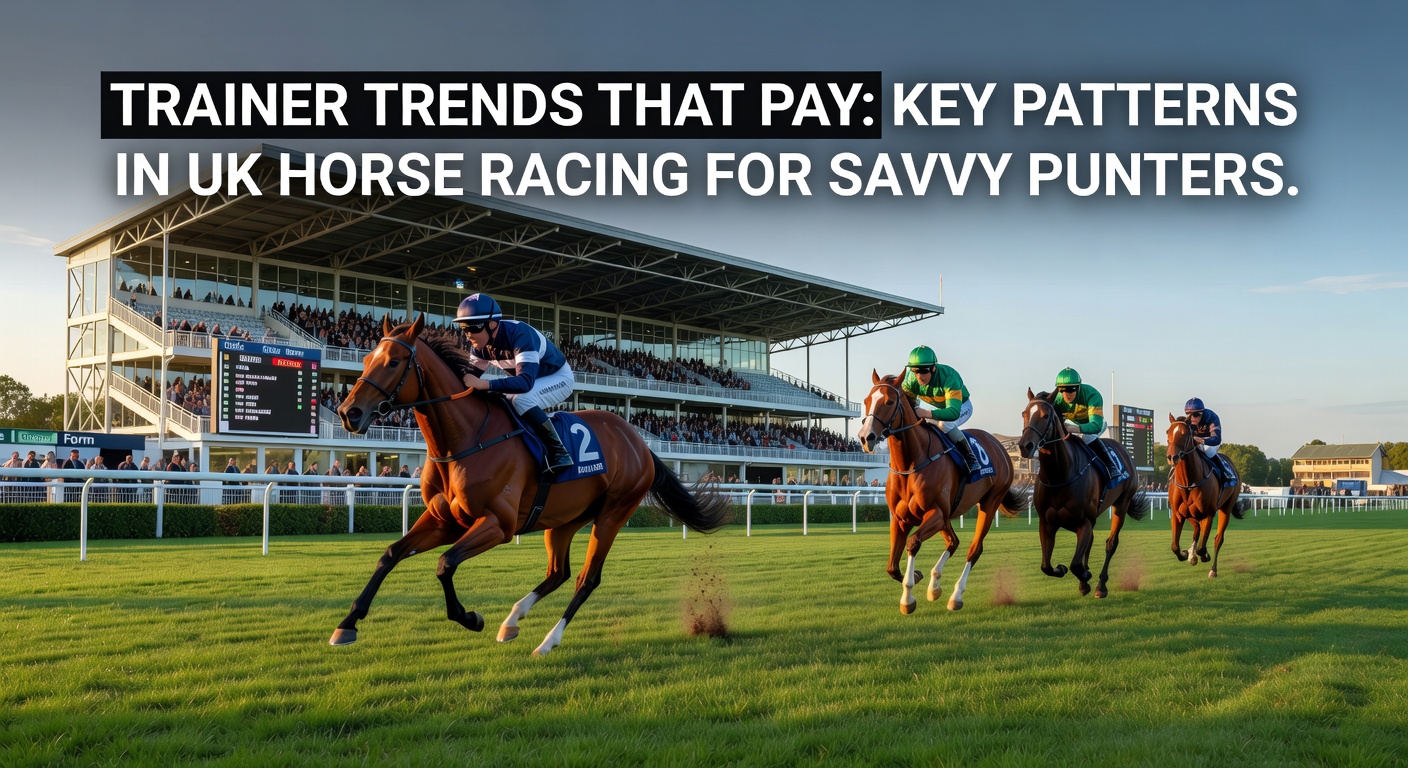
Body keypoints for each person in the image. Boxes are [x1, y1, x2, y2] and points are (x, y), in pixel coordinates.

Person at [453, 293, 574, 475]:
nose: (469, 334)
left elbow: (525, 383)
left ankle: (559, 451)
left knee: (520, 399)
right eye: (464, 328)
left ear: (492, 324)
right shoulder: (479, 346)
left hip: (558, 377)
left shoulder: (520, 334)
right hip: (530, 380)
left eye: (473, 327)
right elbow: (469, 381)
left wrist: (485, 384)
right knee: (500, 400)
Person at [900, 345, 979, 473]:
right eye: (915, 371)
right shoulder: (910, 380)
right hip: (939, 408)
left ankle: (971, 459)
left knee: (944, 424)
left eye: (924, 371)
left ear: (933, 368)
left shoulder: (949, 377)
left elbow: (953, 413)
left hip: (961, 407)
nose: (919, 376)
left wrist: (926, 413)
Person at [1051, 367, 1117, 477]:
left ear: (1078, 387)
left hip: (1096, 425)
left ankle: (1110, 465)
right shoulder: (1058, 399)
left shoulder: (1092, 395)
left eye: (1071, 389)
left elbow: (1096, 425)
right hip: (1074, 424)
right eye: (1063, 390)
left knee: (1087, 437)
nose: (1067, 394)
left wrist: (1074, 429)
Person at [1184, 397, 1227, 480]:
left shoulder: (1212, 418)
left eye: (1196, 415)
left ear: (1202, 413)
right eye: (1190, 414)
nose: (1192, 418)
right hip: (1195, 439)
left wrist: (1203, 441)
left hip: (1210, 441)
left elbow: (1216, 439)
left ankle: (1224, 473)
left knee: (1208, 451)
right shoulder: (1187, 420)